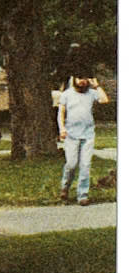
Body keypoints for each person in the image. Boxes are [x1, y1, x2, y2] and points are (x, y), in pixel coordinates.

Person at [57, 75, 109, 205]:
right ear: (74, 79)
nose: (82, 81)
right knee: (71, 164)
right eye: (79, 78)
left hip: (88, 135)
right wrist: (62, 128)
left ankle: (83, 195)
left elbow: (104, 100)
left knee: (85, 166)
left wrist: (96, 86)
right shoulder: (67, 94)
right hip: (71, 135)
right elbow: (61, 113)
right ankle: (65, 187)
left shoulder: (92, 93)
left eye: (85, 79)